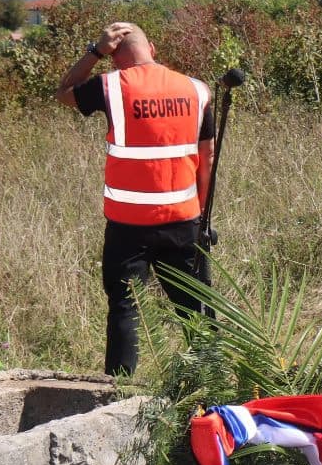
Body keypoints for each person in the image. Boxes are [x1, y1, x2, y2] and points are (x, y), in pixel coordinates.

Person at [55, 21, 214, 377]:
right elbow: (208, 156)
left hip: (128, 226)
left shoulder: (110, 85)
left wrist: (94, 52)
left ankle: (118, 390)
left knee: (125, 308)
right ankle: (209, 384)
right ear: (152, 48)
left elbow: (64, 91)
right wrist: (201, 212)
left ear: (114, 58)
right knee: (195, 308)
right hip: (184, 219)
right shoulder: (197, 89)